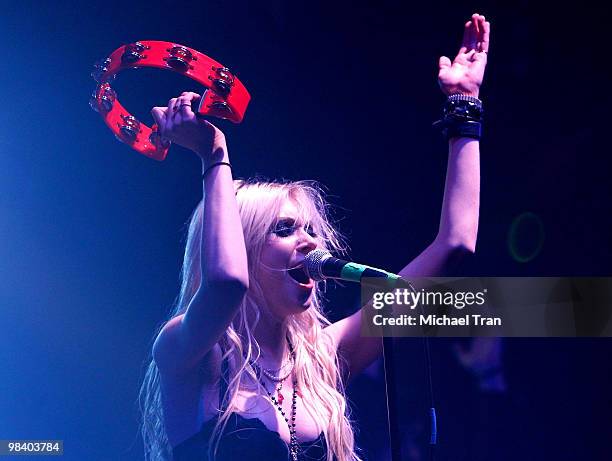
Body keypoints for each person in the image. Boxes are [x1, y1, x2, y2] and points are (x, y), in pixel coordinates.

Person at [139, 13, 490, 461]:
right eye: (284, 230)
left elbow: (455, 243)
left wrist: (465, 107)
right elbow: (227, 283)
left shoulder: (322, 358)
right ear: (243, 246)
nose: (309, 242)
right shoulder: (193, 354)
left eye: (309, 229)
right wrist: (214, 155)